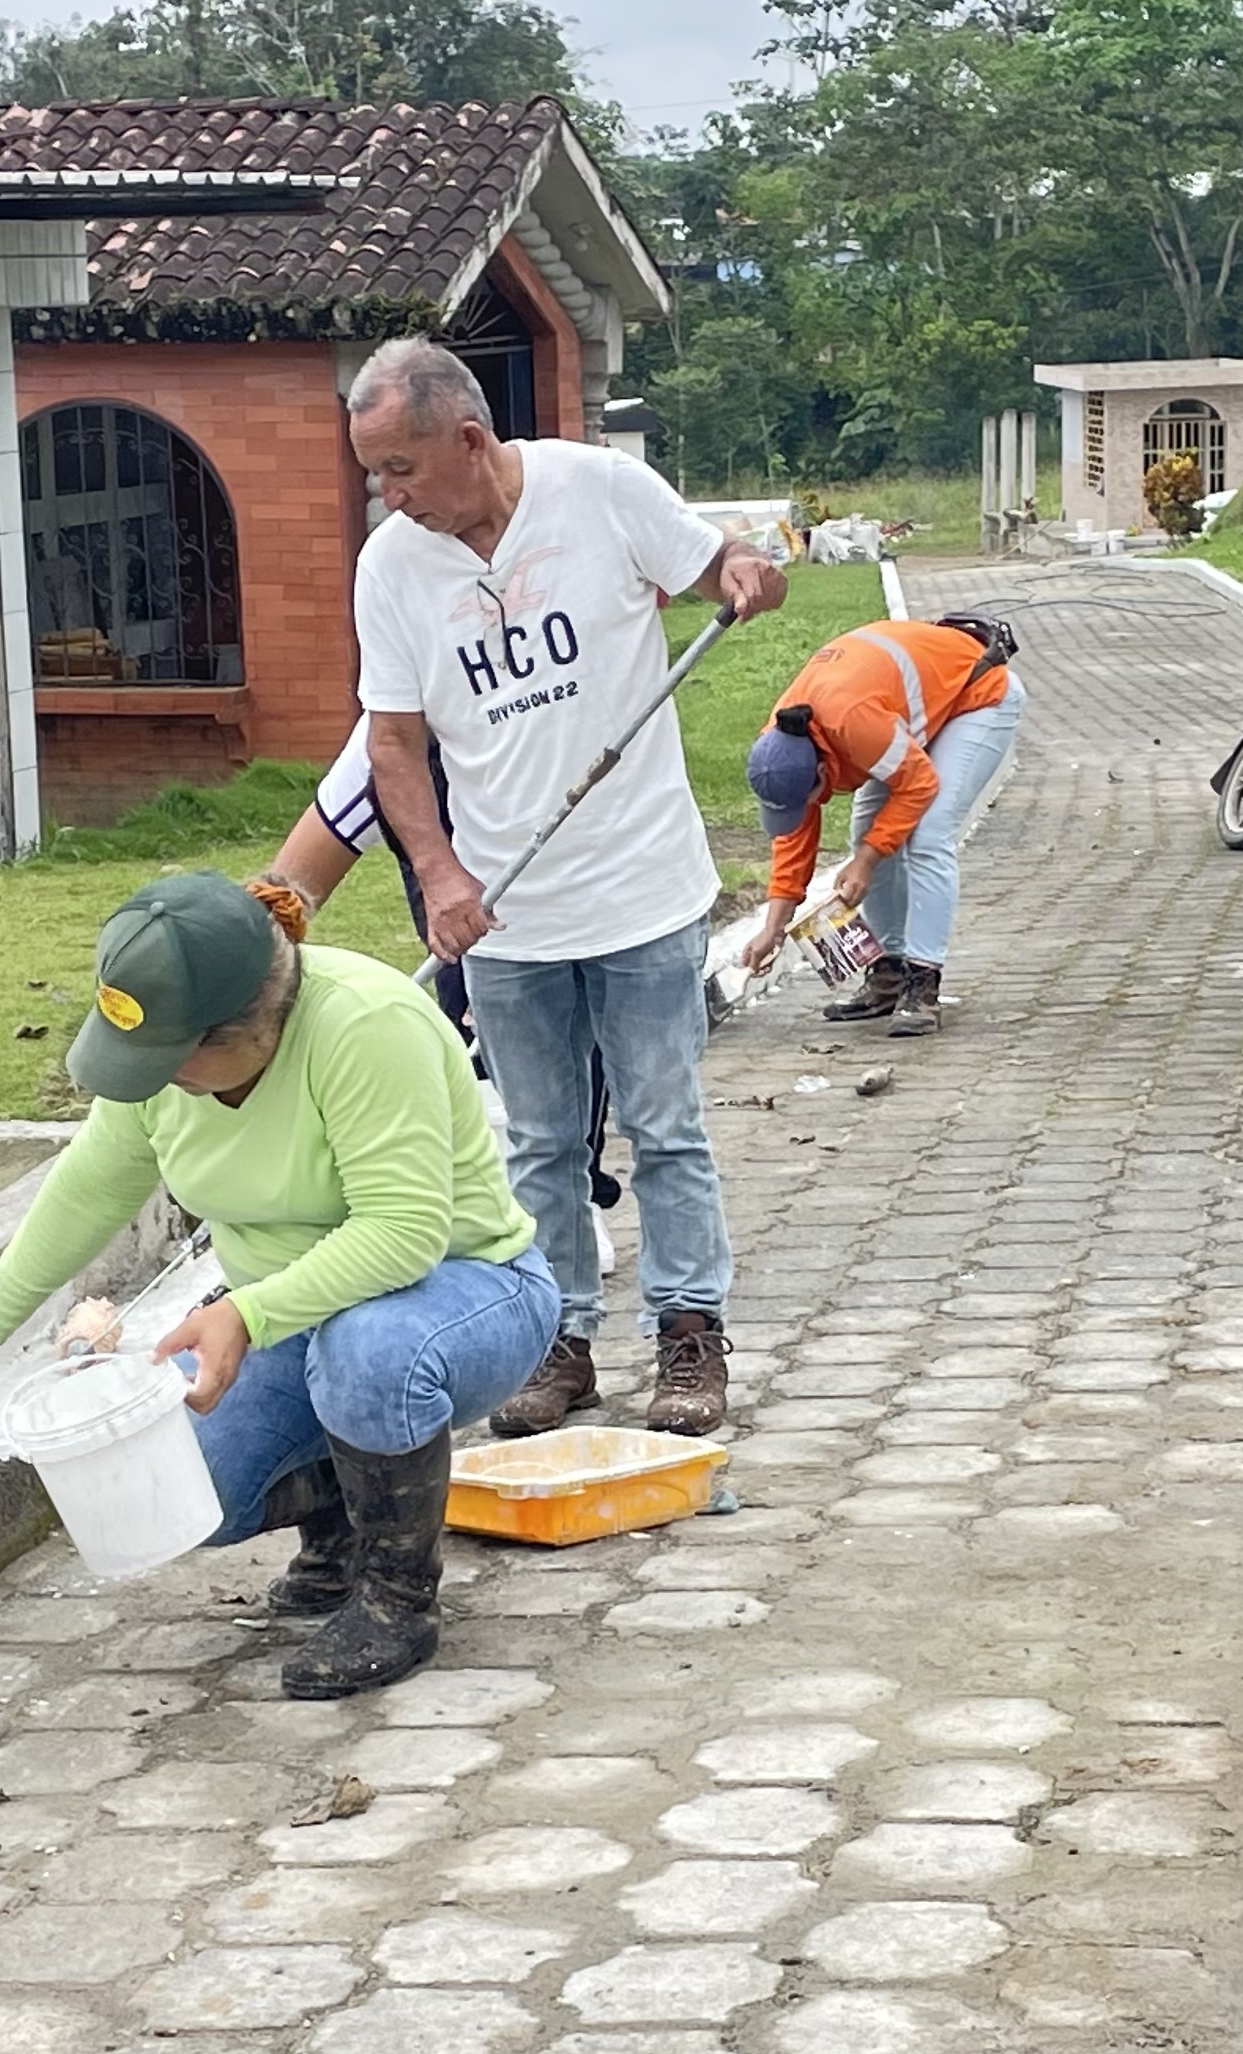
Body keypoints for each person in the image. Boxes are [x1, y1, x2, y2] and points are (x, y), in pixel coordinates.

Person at [0, 870, 556, 1700]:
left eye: (167, 1058)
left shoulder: (366, 1025)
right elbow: (93, 1183)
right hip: (288, 1317)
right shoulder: (159, 1068)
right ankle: (343, 1520)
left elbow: (404, 1233)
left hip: (466, 1291)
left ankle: (396, 1599)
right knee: (172, 1481)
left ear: (254, 1027)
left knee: (369, 1349)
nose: (148, 1077)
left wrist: (247, 1312)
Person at [344, 335, 784, 1439]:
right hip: (503, 913)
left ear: (469, 439)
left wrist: (747, 572)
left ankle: (689, 1334)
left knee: (664, 1126)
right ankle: (557, 1341)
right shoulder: (390, 567)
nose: (388, 496)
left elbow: (721, 563)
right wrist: (440, 874)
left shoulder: (597, 489)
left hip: (643, 889)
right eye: (374, 474)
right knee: (539, 1144)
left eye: (400, 468)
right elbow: (392, 744)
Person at [266, 724, 623, 1214]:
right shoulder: (385, 741)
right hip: (471, 947)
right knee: (504, 1115)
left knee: (576, 1106)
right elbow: (283, 898)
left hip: (589, 916)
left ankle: (577, 1190)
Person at [737, 619, 1028, 1038]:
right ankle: (889, 974)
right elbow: (794, 837)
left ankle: (923, 984)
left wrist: (867, 862)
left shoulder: (851, 723)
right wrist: (773, 929)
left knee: (928, 835)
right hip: (905, 714)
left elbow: (919, 783)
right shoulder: (783, 742)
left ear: (822, 771)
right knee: (867, 832)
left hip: (977, 697)